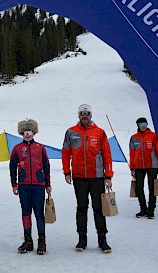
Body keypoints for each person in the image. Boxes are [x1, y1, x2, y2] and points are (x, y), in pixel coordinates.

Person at [62, 104, 113, 253]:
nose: (85, 115)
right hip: (79, 177)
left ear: (91, 115)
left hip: (97, 177)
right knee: (82, 207)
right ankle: (82, 239)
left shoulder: (100, 132)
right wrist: (67, 172)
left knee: (99, 208)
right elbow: (66, 153)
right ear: (78, 115)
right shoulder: (71, 132)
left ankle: (102, 239)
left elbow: (107, 155)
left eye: (87, 113)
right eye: (82, 113)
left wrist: (108, 175)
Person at [10, 119, 51, 255]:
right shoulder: (17, 148)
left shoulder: (40, 148)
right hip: (23, 185)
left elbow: (46, 166)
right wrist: (14, 184)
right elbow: (12, 167)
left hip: (39, 185)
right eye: (25, 132)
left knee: (39, 213)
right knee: (26, 212)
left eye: (30, 132)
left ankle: (41, 241)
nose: (27, 134)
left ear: (34, 133)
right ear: (22, 133)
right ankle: (28, 240)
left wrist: (48, 184)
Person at [129, 117, 158, 219]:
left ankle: (151, 211)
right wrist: (132, 167)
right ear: (138, 125)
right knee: (139, 188)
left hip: (152, 166)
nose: (143, 126)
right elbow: (132, 153)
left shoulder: (154, 136)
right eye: (141, 124)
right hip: (138, 167)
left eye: (145, 124)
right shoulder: (134, 138)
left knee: (152, 188)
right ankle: (143, 209)